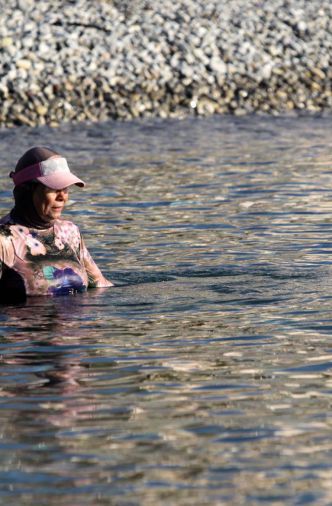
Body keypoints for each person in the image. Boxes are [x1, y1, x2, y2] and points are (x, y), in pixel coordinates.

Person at [0, 146, 113, 302]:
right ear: (26, 191)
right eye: (53, 188)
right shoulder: (4, 239)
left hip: (78, 325)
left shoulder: (70, 232)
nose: (62, 197)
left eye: (65, 188)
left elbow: (100, 286)